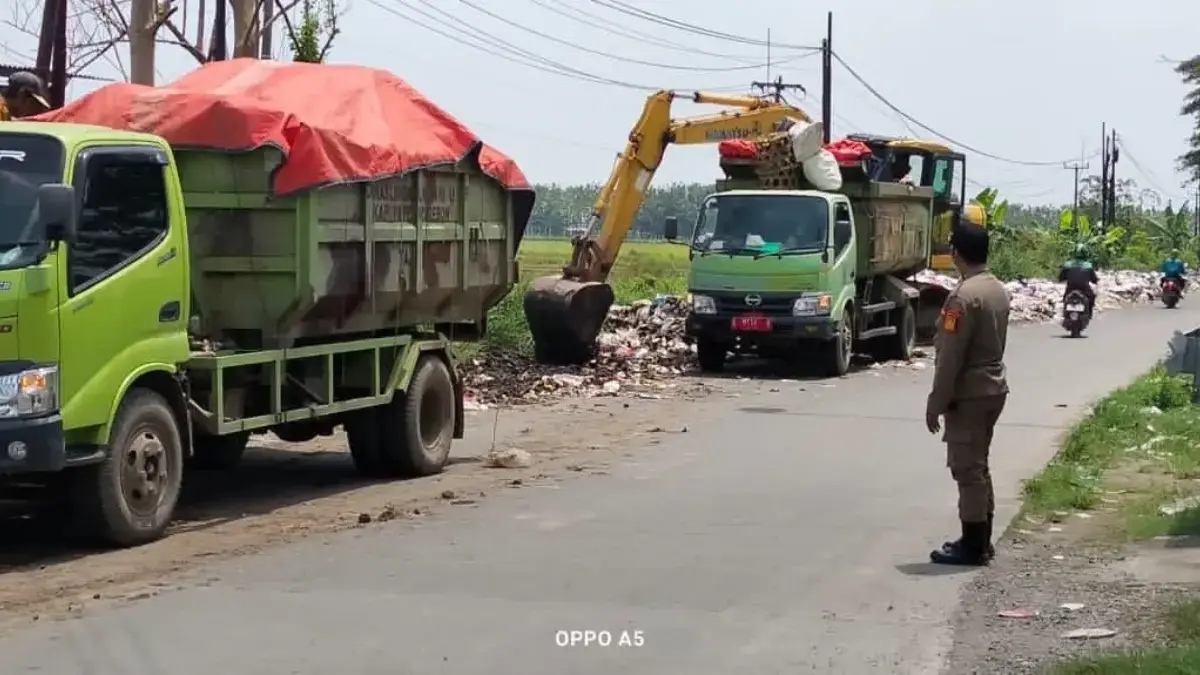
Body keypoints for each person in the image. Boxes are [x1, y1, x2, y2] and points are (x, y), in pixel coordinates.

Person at [925, 216, 1010, 566]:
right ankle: (982, 539)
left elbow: (950, 358)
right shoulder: (996, 289)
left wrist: (936, 403)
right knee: (980, 464)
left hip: (970, 394)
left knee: (967, 469)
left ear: (957, 253)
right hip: (993, 387)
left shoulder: (961, 298)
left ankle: (973, 545)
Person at [1058, 244, 1099, 319]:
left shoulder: (1067, 264)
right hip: (1084, 288)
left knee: (1065, 298)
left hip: (1070, 287)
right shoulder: (1088, 265)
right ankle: (1089, 314)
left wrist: (1062, 279)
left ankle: (1065, 313)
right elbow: (1094, 279)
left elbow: (1061, 277)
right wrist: (1095, 281)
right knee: (1092, 297)